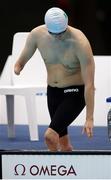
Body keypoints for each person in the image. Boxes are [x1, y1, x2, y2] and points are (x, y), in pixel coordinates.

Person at [14, 7, 95, 152]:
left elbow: (90, 85)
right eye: (53, 34)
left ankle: (55, 173)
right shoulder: (37, 35)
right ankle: (70, 171)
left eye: (62, 33)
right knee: (64, 145)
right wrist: (18, 68)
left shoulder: (80, 43)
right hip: (53, 93)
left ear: (66, 26)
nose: (58, 37)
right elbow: (20, 62)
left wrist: (89, 118)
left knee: (50, 136)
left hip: (75, 93)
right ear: (47, 28)